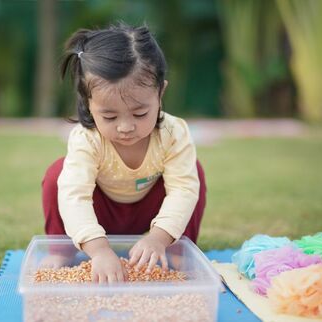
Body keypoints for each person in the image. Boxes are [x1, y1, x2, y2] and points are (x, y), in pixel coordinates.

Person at [42, 23, 206, 284]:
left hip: (150, 211)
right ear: (88, 103)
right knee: (56, 175)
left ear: (160, 92)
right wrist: (98, 250)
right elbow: (75, 195)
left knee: (193, 172)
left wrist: (158, 237)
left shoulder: (174, 133)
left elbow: (183, 190)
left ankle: (178, 250)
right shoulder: (87, 139)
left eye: (140, 113)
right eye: (109, 115)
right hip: (101, 211)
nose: (126, 127)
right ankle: (61, 250)